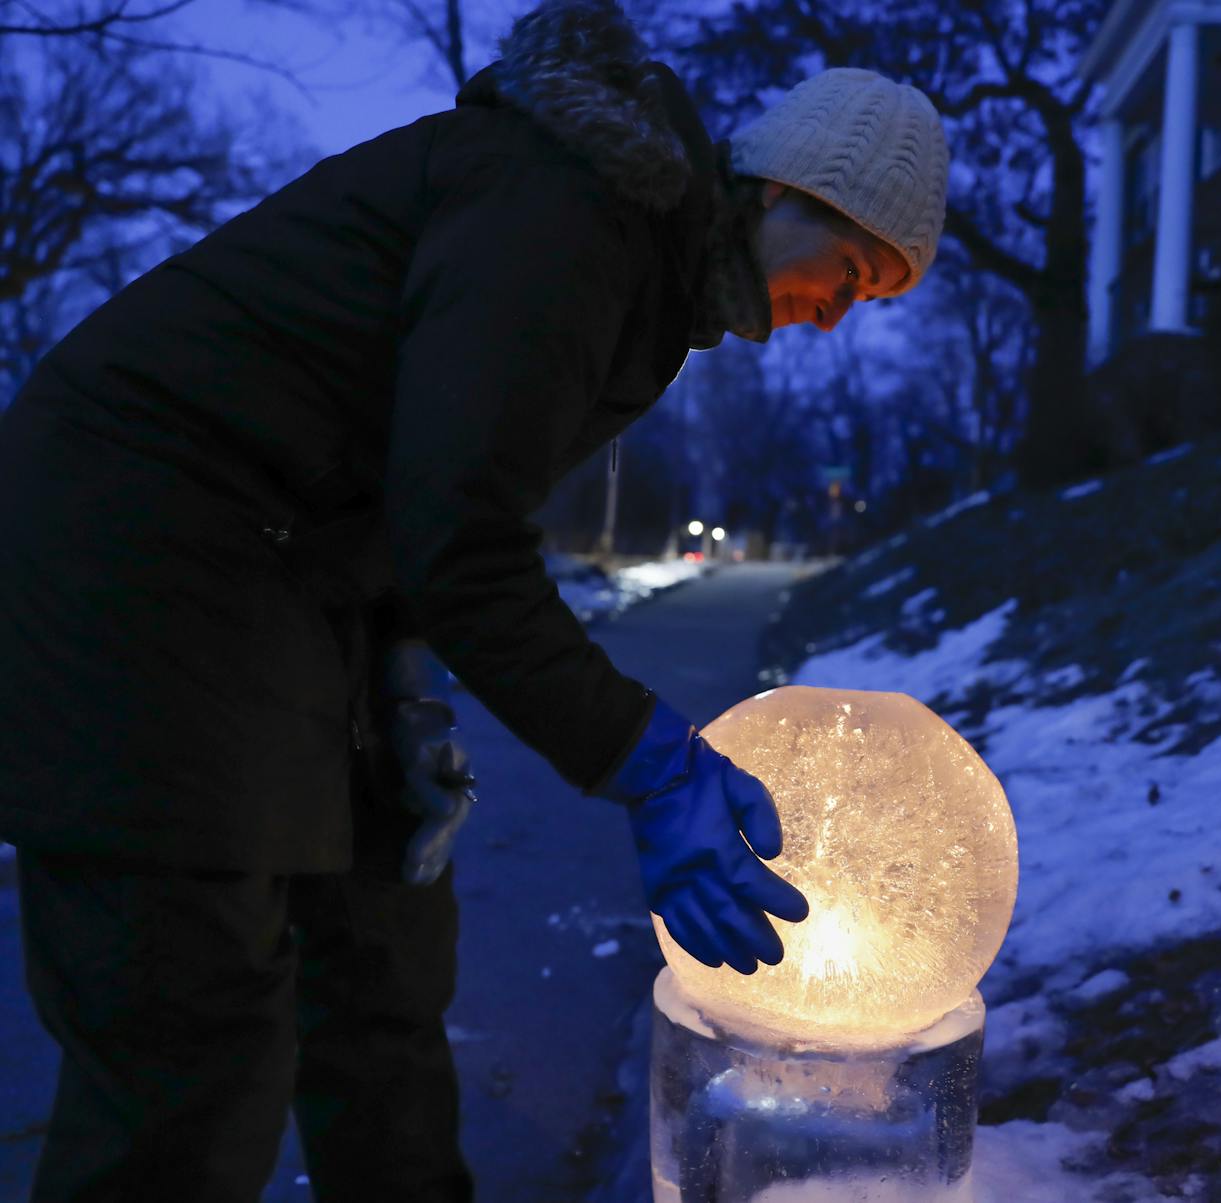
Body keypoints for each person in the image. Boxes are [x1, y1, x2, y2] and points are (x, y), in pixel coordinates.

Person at [0, 0, 949, 1198]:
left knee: (383, 964)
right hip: (138, 550)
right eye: (851, 272)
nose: (839, 310)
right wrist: (647, 758)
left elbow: (417, 487)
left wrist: (398, 686)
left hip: (294, 573)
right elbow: (460, 533)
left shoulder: (641, 274)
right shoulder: (565, 213)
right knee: (190, 1035)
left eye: (872, 301)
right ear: (780, 193)